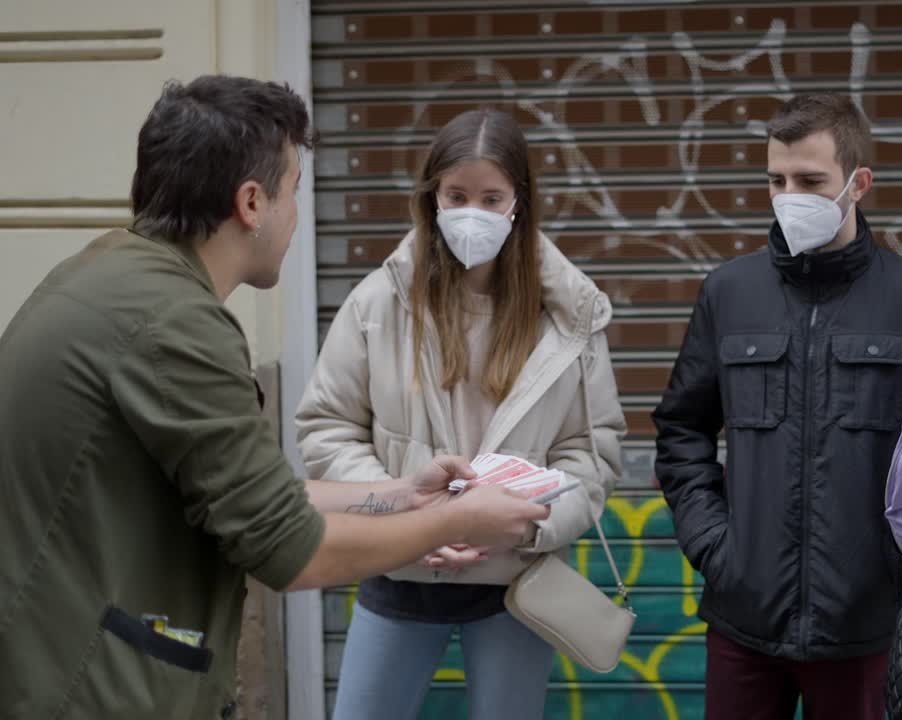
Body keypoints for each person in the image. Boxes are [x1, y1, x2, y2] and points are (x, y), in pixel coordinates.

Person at [0, 77, 551, 718]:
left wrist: (402, 494)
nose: (296, 215)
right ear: (252, 203)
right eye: (294, 191)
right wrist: (457, 520)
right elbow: (289, 549)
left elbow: (256, 497)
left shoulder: (109, 273)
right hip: (83, 687)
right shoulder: (174, 325)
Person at [295, 108, 626, 720]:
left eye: (491, 198)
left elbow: (592, 455)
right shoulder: (379, 302)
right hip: (398, 569)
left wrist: (524, 526)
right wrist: (411, 513)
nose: (473, 212)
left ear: (519, 202)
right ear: (433, 198)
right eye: (456, 196)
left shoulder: (569, 315)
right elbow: (327, 429)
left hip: (516, 586)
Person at [653, 93, 902, 720]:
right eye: (777, 180)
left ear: (858, 183)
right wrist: (716, 547)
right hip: (743, 621)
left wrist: (894, 560)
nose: (790, 196)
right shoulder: (729, 292)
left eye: (811, 181)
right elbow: (681, 429)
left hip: (862, 628)